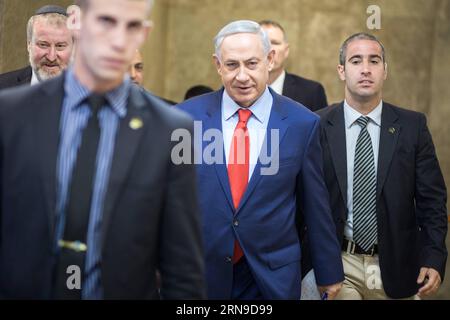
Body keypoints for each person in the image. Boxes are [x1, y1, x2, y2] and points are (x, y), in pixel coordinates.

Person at [0, 0, 205, 299]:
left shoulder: (170, 131)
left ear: (144, 34)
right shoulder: (12, 115)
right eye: (106, 21)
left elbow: (183, 270)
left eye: (132, 26)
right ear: (76, 22)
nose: (118, 39)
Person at [177, 20, 343, 300]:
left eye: (252, 64)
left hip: (271, 275)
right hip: (201, 274)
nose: (242, 76)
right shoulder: (184, 119)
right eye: (231, 65)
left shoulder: (302, 123)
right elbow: (170, 198)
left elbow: (315, 206)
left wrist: (328, 271)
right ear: (217, 65)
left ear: (269, 60)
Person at [317, 32, 448, 299]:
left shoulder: (413, 127)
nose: (366, 69)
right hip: (338, 264)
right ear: (342, 71)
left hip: (399, 266)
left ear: (385, 70)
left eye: (374, 61)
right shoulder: (317, 125)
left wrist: (434, 256)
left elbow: (432, 201)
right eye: (356, 61)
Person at [259, 20, 328, 111]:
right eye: (264, 43)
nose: (269, 49)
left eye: (275, 43)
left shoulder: (312, 91)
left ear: (286, 50)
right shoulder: (239, 90)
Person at [0, 5, 74, 90]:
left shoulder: (89, 93)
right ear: (29, 45)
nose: (51, 57)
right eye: (43, 45)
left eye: (60, 46)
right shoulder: (2, 88)